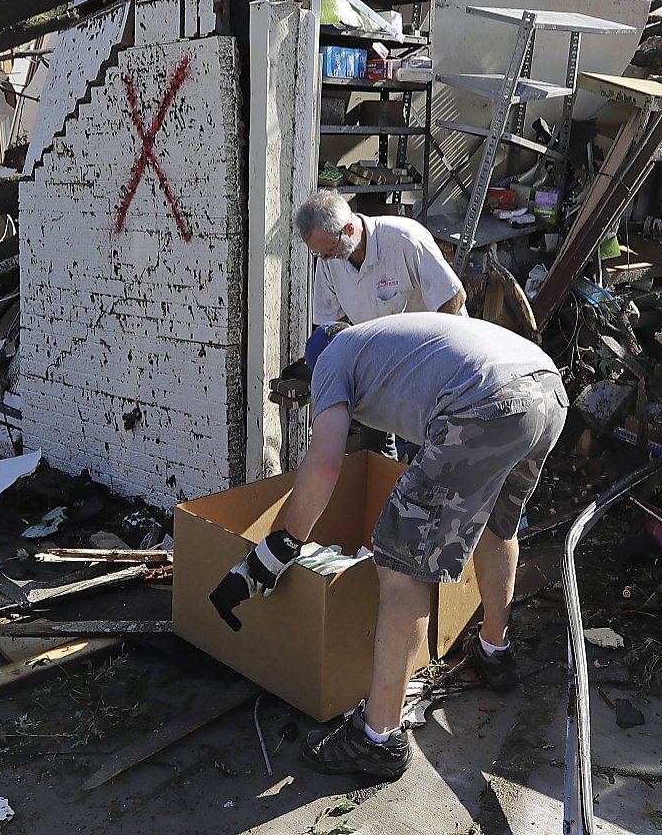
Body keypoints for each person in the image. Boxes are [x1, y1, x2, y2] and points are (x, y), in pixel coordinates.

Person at [209, 311, 567, 781]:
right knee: (499, 527)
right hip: (546, 391)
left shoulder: (333, 359)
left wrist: (282, 545)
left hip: (486, 403)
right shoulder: (387, 342)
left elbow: (322, 465)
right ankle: (495, 651)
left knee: (400, 564)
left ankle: (377, 738)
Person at [296, 189, 464, 327]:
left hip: (438, 346)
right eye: (320, 253)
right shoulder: (329, 258)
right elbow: (332, 326)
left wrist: (428, 352)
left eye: (330, 249)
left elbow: (453, 297)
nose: (326, 258)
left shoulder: (405, 240)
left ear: (349, 229)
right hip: (387, 352)